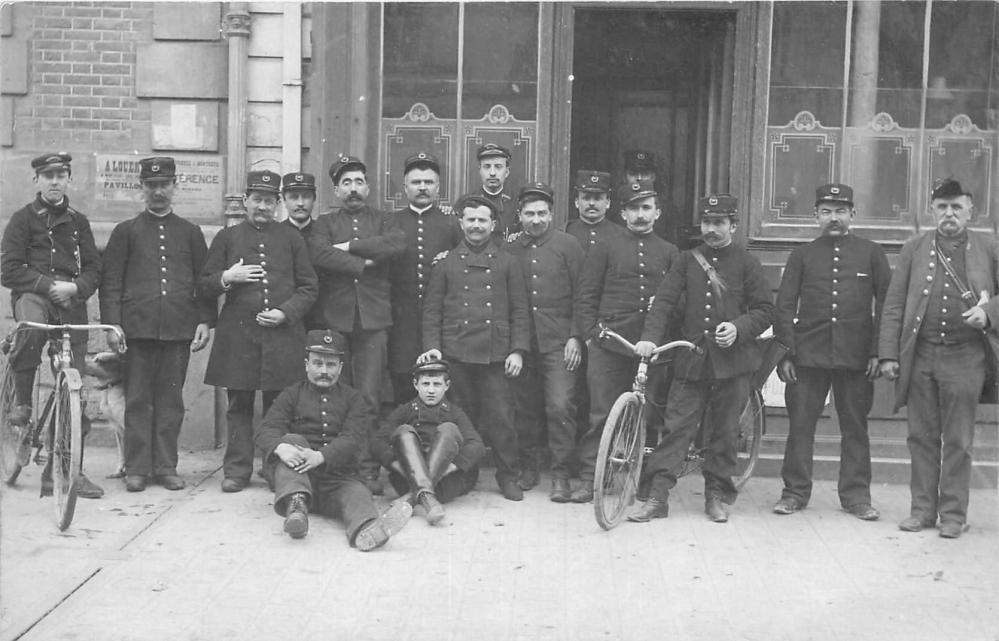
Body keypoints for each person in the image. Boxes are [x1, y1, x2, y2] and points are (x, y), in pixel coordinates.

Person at [630, 194, 774, 523]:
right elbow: (664, 302)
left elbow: (766, 311)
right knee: (677, 428)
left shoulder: (747, 263)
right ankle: (657, 497)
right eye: (707, 223)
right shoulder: (686, 260)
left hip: (734, 362)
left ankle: (716, 496)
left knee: (724, 432)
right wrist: (649, 339)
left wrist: (738, 328)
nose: (711, 229)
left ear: (733, 226)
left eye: (719, 223)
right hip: (692, 358)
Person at [878, 178, 999, 539]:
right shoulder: (914, 247)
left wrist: (989, 313)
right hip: (922, 355)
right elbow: (895, 303)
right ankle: (921, 510)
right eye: (942, 207)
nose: (949, 214)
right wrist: (888, 354)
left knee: (959, 440)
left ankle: (953, 515)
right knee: (921, 436)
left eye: (956, 207)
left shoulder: (989, 247)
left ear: (970, 211)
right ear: (933, 210)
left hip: (966, 358)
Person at [771, 183, 891, 520]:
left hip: (856, 358)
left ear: (852, 214)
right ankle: (794, 493)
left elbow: (886, 303)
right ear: (816, 216)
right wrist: (787, 354)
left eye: (840, 211)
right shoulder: (802, 255)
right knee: (800, 427)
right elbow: (783, 307)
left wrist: (876, 351)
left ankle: (856, 497)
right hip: (808, 356)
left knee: (855, 427)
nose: (833, 218)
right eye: (826, 211)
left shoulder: (871, 253)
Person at [99, 156, 215, 492]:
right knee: (137, 399)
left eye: (164, 185)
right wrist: (112, 325)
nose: (158, 192)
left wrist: (206, 320)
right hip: (137, 329)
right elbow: (112, 282)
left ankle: (165, 466)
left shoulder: (190, 233)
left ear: (175, 186)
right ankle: (136, 467)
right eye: (152, 186)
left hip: (177, 328)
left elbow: (203, 280)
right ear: (142, 189)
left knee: (170, 401)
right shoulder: (126, 232)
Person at [201, 170, 318, 493]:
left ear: (277, 204)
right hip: (238, 337)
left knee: (278, 407)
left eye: (269, 201)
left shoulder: (292, 239)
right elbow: (205, 284)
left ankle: (273, 468)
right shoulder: (227, 238)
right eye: (257, 200)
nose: (263, 207)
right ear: (246, 201)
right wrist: (228, 276)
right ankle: (237, 470)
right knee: (238, 405)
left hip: (282, 337)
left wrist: (285, 312)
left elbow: (309, 287)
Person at [1, 152, 105, 499]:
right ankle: (23, 404)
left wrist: (76, 288)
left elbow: (94, 268)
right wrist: (49, 287)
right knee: (30, 327)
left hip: (71, 302)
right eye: (48, 176)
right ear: (37, 181)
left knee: (73, 386)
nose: (55, 181)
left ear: (68, 179)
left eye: (61, 175)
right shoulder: (22, 220)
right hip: (35, 294)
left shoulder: (79, 222)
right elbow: (9, 269)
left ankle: (60, 470)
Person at [572, 179, 680, 503]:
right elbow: (586, 294)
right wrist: (592, 335)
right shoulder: (605, 247)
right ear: (622, 212)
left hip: (652, 347)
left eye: (646, 208)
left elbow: (675, 301)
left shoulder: (670, 252)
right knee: (600, 413)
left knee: (648, 415)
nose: (640, 215)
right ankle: (591, 477)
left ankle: (640, 478)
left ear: (657, 212)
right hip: (610, 342)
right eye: (633, 208)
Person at [255, 329, 412, 550]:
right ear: (306, 364)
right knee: (292, 439)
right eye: (318, 363)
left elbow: (354, 438)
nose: (324, 371)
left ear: (340, 368)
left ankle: (367, 530)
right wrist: (280, 447)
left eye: (330, 365)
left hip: (336, 478)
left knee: (358, 493)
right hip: (297, 475)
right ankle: (297, 508)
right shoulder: (292, 394)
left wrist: (322, 456)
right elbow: (266, 428)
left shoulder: (353, 398)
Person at [418, 193, 530, 501]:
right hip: (457, 353)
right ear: (461, 222)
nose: (477, 226)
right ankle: (465, 474)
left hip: (496, 354)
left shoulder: (508, 262)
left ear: (494, 224)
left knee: (502, 418)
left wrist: (518, 350)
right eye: (471, 219)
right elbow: (432, 310)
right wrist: (433, 347)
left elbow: (520, 310)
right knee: (460, 418)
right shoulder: (446, 263)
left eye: (483, 220)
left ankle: (508, 475)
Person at [308, 155, 404, 493]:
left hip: (374, 320)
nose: (353, 189)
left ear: (368, 186)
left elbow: (395, 244)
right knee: (334, 396)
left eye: (358, 182)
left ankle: (366, 469)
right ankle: (339, 467)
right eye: (346, 183)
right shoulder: (323, 223)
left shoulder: (386, 220)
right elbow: (319, 254)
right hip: (335, 321)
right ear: (336, 189)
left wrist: (347, 248)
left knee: (368, 397)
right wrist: (364, 264)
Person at [507, 182, 584, 501]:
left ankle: (562, 473)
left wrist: (576, 337)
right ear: (520, 216)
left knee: (559, 405)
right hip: (523, 342)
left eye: (542, 213)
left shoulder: (569, 246)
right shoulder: (511, 249)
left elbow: (583, 294)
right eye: (529, 214)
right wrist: (515, 346)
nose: (536, 220)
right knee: (524, 406)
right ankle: (529, 465)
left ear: (551, 214)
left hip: (559, 340)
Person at [387, 152, 462, 404]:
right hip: (401, 316)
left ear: (438, 187)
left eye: (428, 182)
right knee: (402, 375)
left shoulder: (452, 223)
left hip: (441, 316)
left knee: (441, 375)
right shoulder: (391, 222)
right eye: (416, 182)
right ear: (405, 186)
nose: (422, 187)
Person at [372, 359, 485, 525]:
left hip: (445, 483)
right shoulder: (405, 410)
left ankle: (413, 497)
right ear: (415, 385)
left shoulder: (455, 412)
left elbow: (477, 445)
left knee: (448, 429)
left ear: (447, 386)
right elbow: (377, 442)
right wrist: (401, 467)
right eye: (426, 384)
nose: (431, 390)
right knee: (404, 431)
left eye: (437, 384)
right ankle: (427, 498)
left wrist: (447, 468)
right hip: (408, 478)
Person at [280, 171, 322, 331]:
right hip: (286, 316)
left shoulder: (324, 232)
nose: (300, 203)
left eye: (306, 197)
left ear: (314, 200)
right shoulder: (276, 234)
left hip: (320, 315)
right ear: (283, 200)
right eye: (293, 197)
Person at [565, 169, 623, 251]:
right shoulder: (566, 231)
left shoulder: (620, 234)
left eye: (597, 198)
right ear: (577, 202)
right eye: (586, 198)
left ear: (607, 203)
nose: (591, 203)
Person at [475, 143, 519, 240]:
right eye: (487, 167)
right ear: (479, 170)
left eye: (498, 167)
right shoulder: (467, 202)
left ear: (507, 172)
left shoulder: (517, 203)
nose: (492, 173)